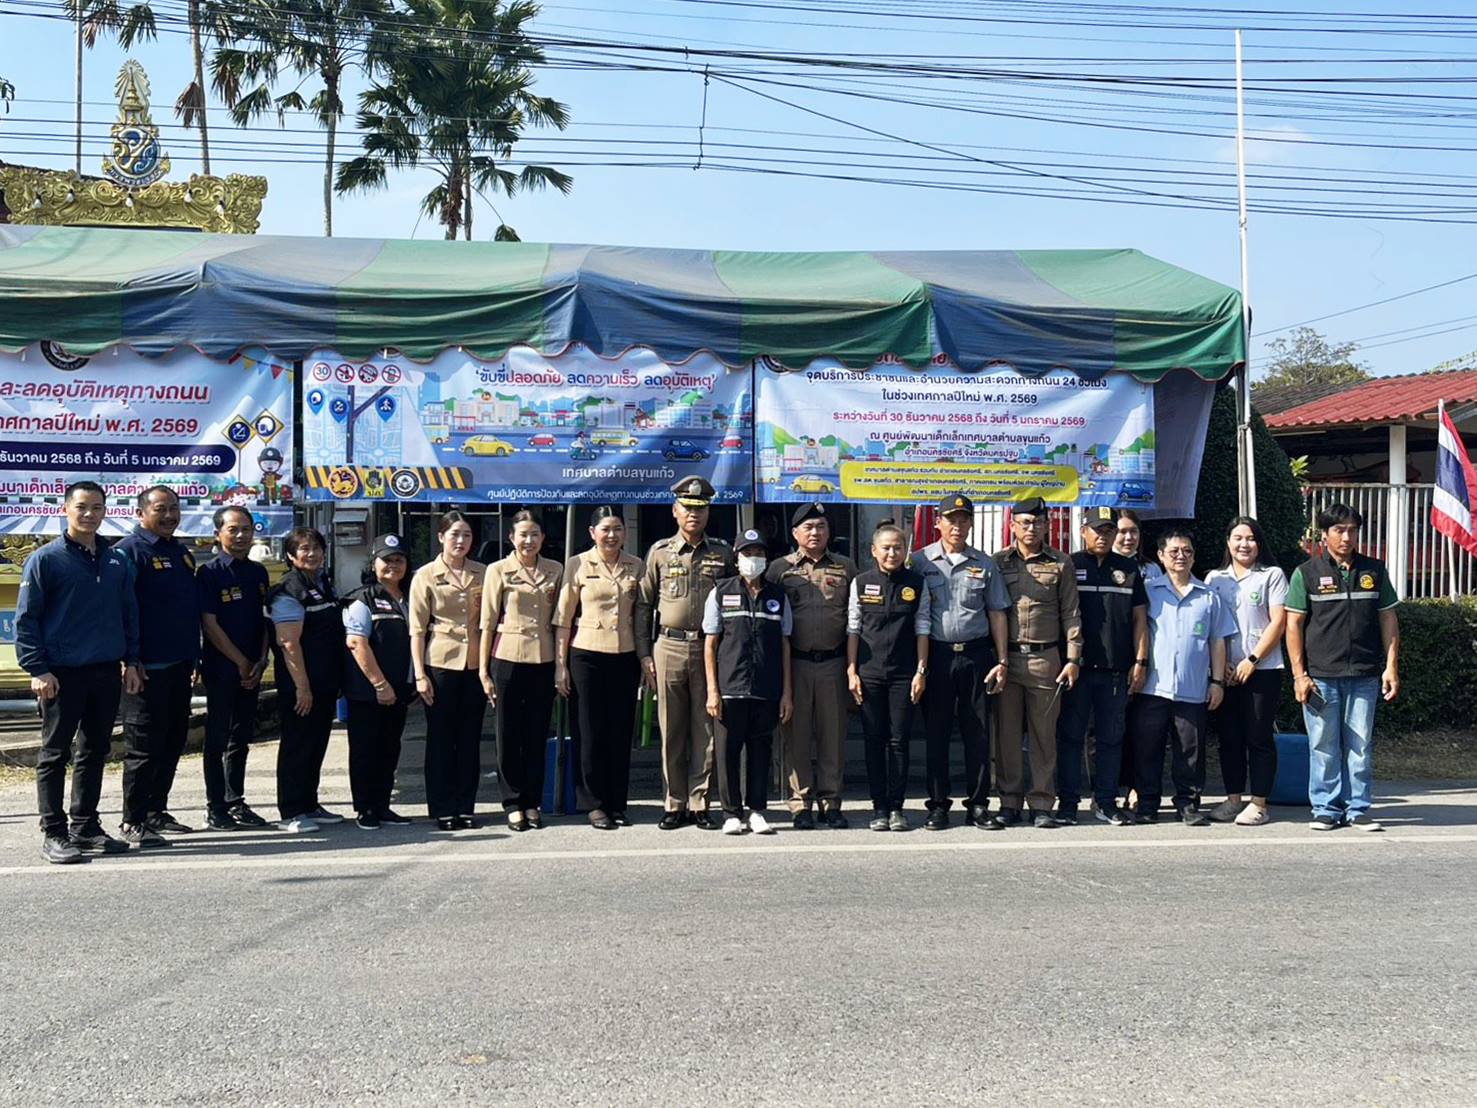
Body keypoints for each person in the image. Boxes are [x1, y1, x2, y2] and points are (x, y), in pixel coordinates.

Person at [16, 481, 142, 863]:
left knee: (95, 750)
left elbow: (128, 613)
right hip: (60, 674)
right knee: (55, 754)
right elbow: (27, 619)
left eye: (97, 507)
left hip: (105, 671)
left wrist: (132, 661)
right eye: (82, 507)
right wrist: (38, 669)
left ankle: (85, 826)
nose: (89, 514)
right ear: (65, 509)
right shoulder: (45, 559)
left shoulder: (116, 559)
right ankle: (54, 832)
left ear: (106, 511)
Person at [1284, 503, 1400, 832]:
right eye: (1339, 530)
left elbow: (1388, 619)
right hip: (1320, 676)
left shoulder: (1375, 570)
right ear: (1324, 535)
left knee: (1360, 745)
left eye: (1352, 530)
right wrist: (1299, 675)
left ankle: (1358, 808)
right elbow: (1293, 625)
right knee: (1323, 745)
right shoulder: (1306, 573)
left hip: (1364, 674)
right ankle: (1325, 808)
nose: (1346, 537)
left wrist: (1391, 666)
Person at [635, 476, 737, 830]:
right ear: (675, 511)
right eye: (688, 508)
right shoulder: (660, 552)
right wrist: (644, 653)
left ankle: (699, 802)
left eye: (701, 508)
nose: (694, 514)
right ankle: (673, 802)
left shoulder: (722, 553)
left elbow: (733, 601)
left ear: (708, 513)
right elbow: (643, 605)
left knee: (705, 728)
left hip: (709, 648)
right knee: (671, 729)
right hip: (669, 646)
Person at [909, 493, 1009, 831]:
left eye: (964, 519)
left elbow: (997, 612)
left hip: (976, 655)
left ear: (971, 524)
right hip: (936, 655)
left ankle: (978, 805)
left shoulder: (985, 563)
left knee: (977, 734)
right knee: (936, 734)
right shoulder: (919, 561)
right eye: (951, 519)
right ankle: (938, 805)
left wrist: (1002, 660)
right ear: (938, 523)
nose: (957, 525)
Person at [1133, 529, 1236, 826]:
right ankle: (1147, 803)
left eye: (1187, 551)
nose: (1181, 556)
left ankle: (1188, 804)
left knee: (1191, 751)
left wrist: (1217, 682)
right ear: (1161, 556)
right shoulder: (1149, 591)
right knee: (1147, 748)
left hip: (1193, 688)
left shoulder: (1209, 596)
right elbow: (1137, 631)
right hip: (1153, 687)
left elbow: (1217, 641)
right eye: (1174, 551)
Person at [115, 486, 201, 839]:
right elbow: (121, 610)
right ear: (140, 513)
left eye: (174, 509)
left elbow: (187, 609)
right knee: (142, 749)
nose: (169, 516)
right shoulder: (128, 552)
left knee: (172, 741)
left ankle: (156, 811)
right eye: (160, 509)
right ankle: (133, 820)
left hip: (179, 665)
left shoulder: (180, 552)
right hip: (144, 669)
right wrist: (129, 660)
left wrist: (194, 656)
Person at [993, 496, 1083, 829]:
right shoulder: (997, 562)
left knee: (1044, 737)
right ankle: (1009, 802)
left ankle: (1042, 803)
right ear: (1013, 526)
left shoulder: (1061, 563)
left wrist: (1073, 657)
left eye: (1038, 522)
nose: (1032, 528)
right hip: (1007, 659)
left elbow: (1071, 612)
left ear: (1047, 526)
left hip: (1046, 659)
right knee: (1006, 736)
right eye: (1025, 522)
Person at [766, 501, 857, 829]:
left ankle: (831, 801)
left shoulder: (846, 567)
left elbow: (855, 617)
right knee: (797, 736)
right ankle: (800, 802)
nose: (815, 532)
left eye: (821, 526)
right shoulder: (780, 569)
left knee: (833, 734)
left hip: (833, 662)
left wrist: (852, 667)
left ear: (829, 531)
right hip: (796, 664)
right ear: (795, 533)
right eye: (808, 527)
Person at [1056, 508, 1148, 826]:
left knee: (1111, 739)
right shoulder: (1070, 565)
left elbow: (1139, 620)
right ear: (1083, 531)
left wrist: (1140, 661)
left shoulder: (1128, 568)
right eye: (1097, 530)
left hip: (1115, 670)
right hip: (1076, 669)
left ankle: (1106, 801)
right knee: (1070, 737)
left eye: (1109, 531)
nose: (1103, 536)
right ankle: (1068, 803)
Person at [554, 506, 643, 831]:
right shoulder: (577, 564)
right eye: (605, 529)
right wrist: (560, 665)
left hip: (625, 655)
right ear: (592, 533)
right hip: (586, 654)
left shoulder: (636, 565)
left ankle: (617, 802)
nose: (611, 535)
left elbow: (642, 615)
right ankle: (592, 803)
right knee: (589, 732)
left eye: (617, 529)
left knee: (620, 732)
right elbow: (563, 619)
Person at [703, 529, 794, 835]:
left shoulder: (777, 596)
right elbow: (710, 643)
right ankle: (731, 813)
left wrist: (786, 692)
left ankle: (756, 811)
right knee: (728, 752)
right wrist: (712, 691)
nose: (753, 559)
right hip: (730, 687)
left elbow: (784, 644)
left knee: (760, 751)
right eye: (747, 554)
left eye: (758, 554)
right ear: (736, 559)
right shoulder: (721, 591)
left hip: (766, 688)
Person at [479, 510, 561, 832]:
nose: (529, 540)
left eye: (535, 534)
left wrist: (561, 665)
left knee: (537, 734)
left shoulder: (555, 569)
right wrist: (484, 671)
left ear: (543, 538)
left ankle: (532, 801)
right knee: (508, 734)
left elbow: (560, 619)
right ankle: (513, 802)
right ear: (512, 538)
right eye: (523, 535)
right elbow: (487, 622)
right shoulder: (498, 570)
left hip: (543, 659)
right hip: (508, 659)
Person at [847, 520, 930, 832]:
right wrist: (851, 670)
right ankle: (878, 807)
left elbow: (923, 627)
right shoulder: (860, 582)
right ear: (873, 551)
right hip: (868, 673)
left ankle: (896, 807)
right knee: (873, 739)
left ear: (906, 550)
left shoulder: (916, 583)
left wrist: (921, 671)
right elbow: (853, 627)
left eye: (898, 547)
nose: (892, 553)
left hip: (904, 674)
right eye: (886, 548)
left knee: (899, 741)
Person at [1206, 517, 1288, 827]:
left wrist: (1252, 660)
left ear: (1259, 543)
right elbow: (1211, 626)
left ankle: (1259, 803)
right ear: (1228, 542)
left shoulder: (1271, 575)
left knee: (1258, 736)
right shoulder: (1215, 578)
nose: (1244, 544)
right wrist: (1221, 665)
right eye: (1238, 538)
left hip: (1262, 670)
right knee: (1229, 738)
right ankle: (1233, 799)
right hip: (1225, 672)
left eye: (1250, 538)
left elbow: (1278, 622)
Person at [410, 510, 488, 832]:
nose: (461, 541)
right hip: (440, 663)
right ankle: (443, 808)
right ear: (441, 537)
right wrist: (419, 674)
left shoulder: (483, 573)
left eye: (467, 535)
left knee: (469, 739)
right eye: (455, 534)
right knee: (441, 739)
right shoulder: (426, 575)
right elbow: (417, 629)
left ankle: (465, 806)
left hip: (474, 664)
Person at [196, 506, 272, 830]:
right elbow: (209, 624)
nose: (241, 535)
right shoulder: (209, 573)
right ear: (218, 534)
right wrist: (241, 662)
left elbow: (265, 620)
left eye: (246, 529)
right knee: (217, 738)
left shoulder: (258, 572)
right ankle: (216, 806)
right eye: (233, 529)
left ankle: (235, 800)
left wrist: (261, 660)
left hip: (253, 669)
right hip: (222, 668)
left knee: (241, 738)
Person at [268, 526, 344, 833]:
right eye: (303, 549)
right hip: (301, 685)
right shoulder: (289, 589)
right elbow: (288, 643)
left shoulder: (321, 583)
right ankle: (291, 811)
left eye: (316, 548)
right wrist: (302, 688)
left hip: (324, 682)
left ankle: (309, 804)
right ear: (290, 555)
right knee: (297, 745)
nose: (312, 554)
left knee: (316, 743)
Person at [343, 534, 416, 830]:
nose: (393, 565)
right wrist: (380, 684)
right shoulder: (362, 599)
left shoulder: (410, 597)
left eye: (399, 560)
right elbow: (356, 643)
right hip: (369, 691)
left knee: (389, 749)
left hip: (399, 690)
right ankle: (365, 808)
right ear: (373, 564)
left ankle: (383, 805)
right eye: (387, 560)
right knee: (365, 750)